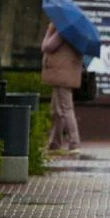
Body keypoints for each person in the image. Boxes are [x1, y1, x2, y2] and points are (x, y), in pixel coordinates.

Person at [41, 23, 83, 156]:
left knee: (66, 109)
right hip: (64, 74)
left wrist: (49, 30)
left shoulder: (63, 30)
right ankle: (54, 143)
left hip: (61, 75)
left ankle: (74, 143)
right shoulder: (76, 31)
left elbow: (47, 47)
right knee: (56, 110)